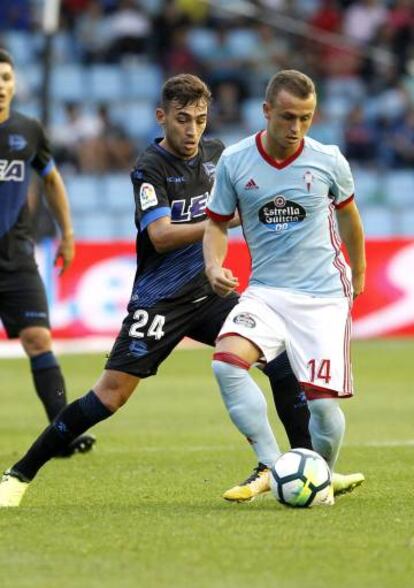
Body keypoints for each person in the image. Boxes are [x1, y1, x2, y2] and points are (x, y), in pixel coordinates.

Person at [0, 73, 357, 508]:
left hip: (210, 293)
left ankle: (305, 468)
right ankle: (19, 475)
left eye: (200, 120)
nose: (192, 131)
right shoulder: (150, 167)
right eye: (183, 120)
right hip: (161, 300)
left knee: (280, 365)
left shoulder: (218, 155)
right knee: (110, 395)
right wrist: (220, 221)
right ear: (162, 117)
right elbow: (162, 236)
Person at [203, 69, 366, 505]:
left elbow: (349, 217)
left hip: (323, 295)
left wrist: (361, 272)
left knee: (323, 408)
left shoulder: (328, 158)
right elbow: (216, 225)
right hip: (268, 292)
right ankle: (276, 463)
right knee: (226, 364)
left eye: (306, 118)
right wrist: (213, 265)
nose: (296, 128)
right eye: (288, 117)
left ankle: (322, 478)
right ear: (266, 111)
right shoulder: (236, 162)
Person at [0, 49, 95, 456]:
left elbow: (53, 181)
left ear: (14, 83)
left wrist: (68, 235)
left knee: (39, 338)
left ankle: (62, 432)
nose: (0, 85)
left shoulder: (28, 130)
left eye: (5, 77)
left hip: (16, 258)